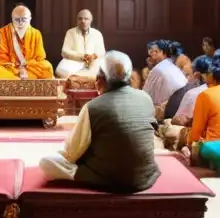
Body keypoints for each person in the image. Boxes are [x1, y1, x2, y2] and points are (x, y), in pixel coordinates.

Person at [39, 51, 161, 192]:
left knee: (46, 162)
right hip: (145, 176)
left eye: (98, 75)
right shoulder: (145, 98)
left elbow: (71, 154)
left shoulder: (93, 107)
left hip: (109, 179)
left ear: (101, 78)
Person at [178, 60, 220, 161]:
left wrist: (188, 144)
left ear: (212, 78)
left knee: (178, 132)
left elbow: (196, 133)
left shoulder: (206, 95)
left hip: (213, 146)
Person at [0, 5, 54, 80]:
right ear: (12, 19)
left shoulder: (36, 33)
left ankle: (13, 80)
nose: (20, 23)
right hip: (10, 67)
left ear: (30, 19)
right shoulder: (4, 31)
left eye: (24, 19)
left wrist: (25, 65)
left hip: (30, 67)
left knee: (47, 67)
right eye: (17, 20)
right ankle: (17, 79)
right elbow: (2, 54)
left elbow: (40, 57)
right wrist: (13, 65)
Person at [55, 9, 106, 80]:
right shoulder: (70, 32)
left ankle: (78, 77)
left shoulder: (97, 33)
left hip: (93, 62)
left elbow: (102, 52)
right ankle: (86, 77)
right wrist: (82, 56)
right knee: (60, 69)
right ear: (77, 20)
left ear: (91, 20)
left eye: (86, 19)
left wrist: (93, 56)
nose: (83, 21)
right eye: (80, 19)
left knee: (103, 70)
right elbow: (65, 51)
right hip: (75, 61)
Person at [142, 39, 187, 107]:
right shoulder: (170, 65)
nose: (150, 55)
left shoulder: (157, 69)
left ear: (163, 53)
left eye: (155, 51)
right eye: (150, 52)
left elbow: (145, 96)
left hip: (169, 108)